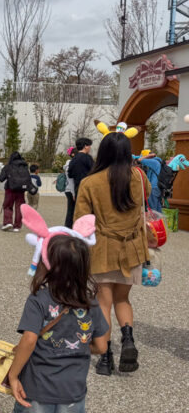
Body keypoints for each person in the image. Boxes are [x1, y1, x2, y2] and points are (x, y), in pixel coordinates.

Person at [8, 234, 108, 413]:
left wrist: (13, 375)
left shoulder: (39, 299)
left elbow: (29, 340)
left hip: (37, 388)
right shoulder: (90, 303)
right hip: (72, 390)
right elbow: (101, 345)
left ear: (48, 264)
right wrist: (79, 348)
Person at [74, 132, 149, 376]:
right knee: (123, 300)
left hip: (102, 249)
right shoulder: (138, 177)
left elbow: (81, 221)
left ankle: (105, 358)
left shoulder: (90, 182)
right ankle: (128, 340)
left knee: (103, 303)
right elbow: (146, 200)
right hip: (132, 249)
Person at [65, 138, 94, 227]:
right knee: (89, 210)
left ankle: (76, 228)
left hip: (77, 187)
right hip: (88, 188)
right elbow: (95, 171)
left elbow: (70, 174)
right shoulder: (87, 158)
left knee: (78, 210)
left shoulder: (73, 160)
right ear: (85, 146)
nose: (90, 148)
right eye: (89, 146)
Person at [0, 151, 30, 231]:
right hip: (21, 190)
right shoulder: (24, 166)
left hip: (10, 189)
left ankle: (8, 222)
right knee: (19, 207)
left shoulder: (8, 166)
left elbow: (1, 178)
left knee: (8, 206)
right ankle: (17, 226)